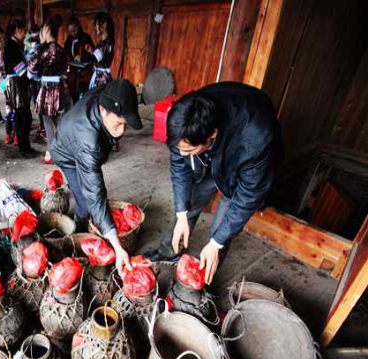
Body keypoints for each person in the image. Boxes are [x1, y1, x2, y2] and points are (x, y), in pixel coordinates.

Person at [145, 82, 282, 285]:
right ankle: (168, 252)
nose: (181, 154)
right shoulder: (185, 119)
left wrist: (217, 242)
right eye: (179, 148)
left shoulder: (257, 140)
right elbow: (180, 165)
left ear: (212, 135)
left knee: (222, 229)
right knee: (189, 203)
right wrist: (181, 213)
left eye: (188, 150)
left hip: (239, 159)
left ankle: (202, 279)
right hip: (209, 154)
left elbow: (247, 197)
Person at [50, 80, 142, 275]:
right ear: (102, 110)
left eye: (125, 125)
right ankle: (79, 235)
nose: (121, 131)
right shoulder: (88, 142)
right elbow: (95, 191)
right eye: (118, 124)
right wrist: (117, 246)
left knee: (91, 190)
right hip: (65, 151)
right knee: (85, 200)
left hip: (74, 133)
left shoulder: (109, 93)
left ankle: (89, 223)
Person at [28, 15, 68, 165]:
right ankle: (64, 151)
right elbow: (65, 70)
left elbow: (31, 71)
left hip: (46, 89)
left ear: (46, 29)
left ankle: (51, 154)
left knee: (48, 124)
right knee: (59, 122)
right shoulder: (62, 50)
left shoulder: (42, 50)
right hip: (59, 88)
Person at [4, 19, 36, 158]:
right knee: (25, 117)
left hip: (20, 82)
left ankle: (25, 146)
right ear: (16, 30)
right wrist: (33, 71)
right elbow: (20, 70)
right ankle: (24, 148)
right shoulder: (11, 46)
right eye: (22, 31)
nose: (24, 33)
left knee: (20, 116)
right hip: (17, 84)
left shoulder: (16, 44)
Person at [0, 27, 15, 145]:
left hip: (13, 81)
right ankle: (8, 133)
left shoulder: (9, 50)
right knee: (8, 107)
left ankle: (16, 134)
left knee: (15, 107)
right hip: (3, 82)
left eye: (0, 37)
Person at [64, 15, 94, 102]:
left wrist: (82, 57)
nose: (73, 33)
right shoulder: (69, 39)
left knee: (83, 95)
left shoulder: (86, 38)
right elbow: (66, 51)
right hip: (73, 72)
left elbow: (92, 56)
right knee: (72, 94)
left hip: (84, 74)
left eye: (74, 30)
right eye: (71, 32)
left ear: (78, 26)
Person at [86, 12, 114, 90]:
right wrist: (91, 51)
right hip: (99, 76)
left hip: (102, 79)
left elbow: (94, 59)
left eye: (97, 24)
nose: (95, 27)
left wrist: (85, 57)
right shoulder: (103, 43)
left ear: (104, 25)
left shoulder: (107, 43)